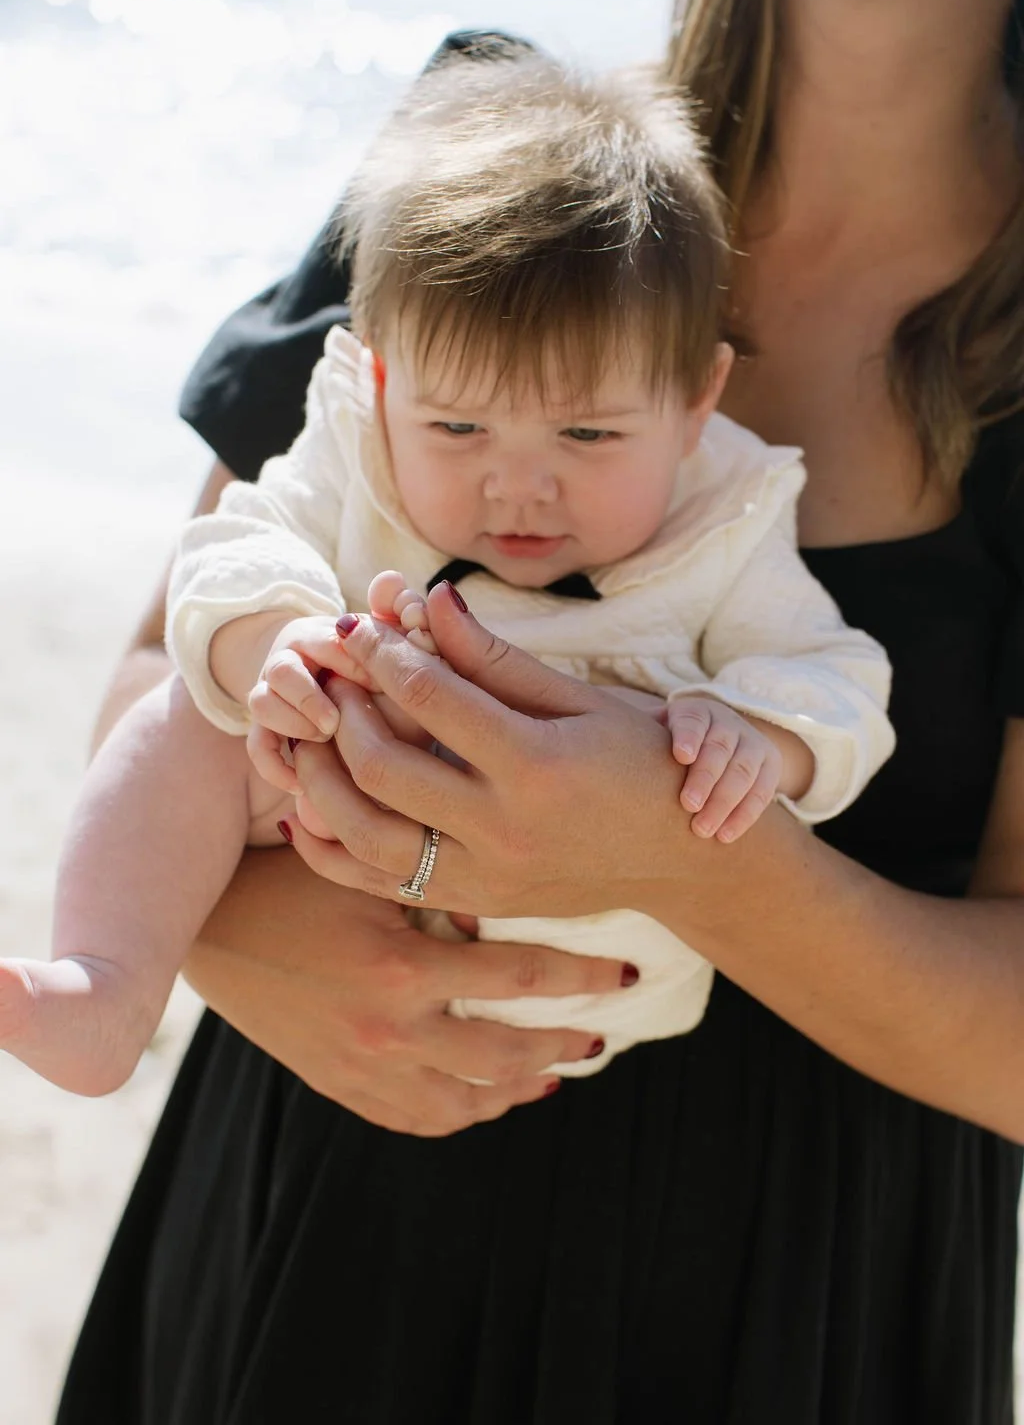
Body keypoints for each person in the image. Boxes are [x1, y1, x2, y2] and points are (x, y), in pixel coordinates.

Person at [56, 0, 1024, 1420]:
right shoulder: (495, 166)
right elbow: (158, 678)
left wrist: (700, 858)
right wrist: (244, 939)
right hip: (319, 1207)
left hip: (785, 1306)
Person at [0, 53, 893, 1092]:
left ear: (697, 399)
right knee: (188, 722)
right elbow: (232, 548)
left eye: (589, 433)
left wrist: (761, 739)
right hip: (332, 861)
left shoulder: (723, 515)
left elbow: (840, 678)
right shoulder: (356, 448)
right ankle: (106, 984)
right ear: (382, 375)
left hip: (582, 956)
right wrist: (269, 640)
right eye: (459, 425)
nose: (518, 487)